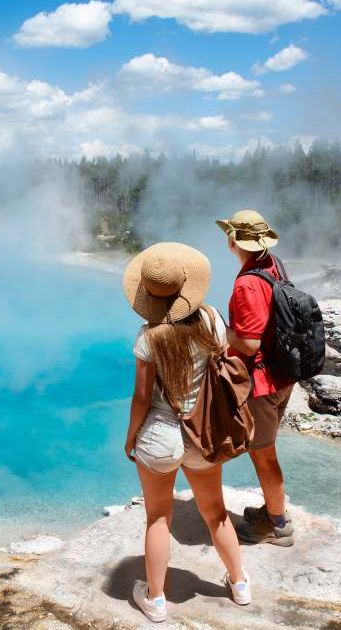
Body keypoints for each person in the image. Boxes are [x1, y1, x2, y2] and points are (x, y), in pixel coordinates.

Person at [121, 242, 252, 623]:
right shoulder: (210, 320)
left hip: (159, 436)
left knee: (158, 518)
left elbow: (142, 398)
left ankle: (156, 599)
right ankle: (239, 583)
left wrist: (131, 437)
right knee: (215, 513)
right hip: (202, 433)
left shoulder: (148, 337)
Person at [215, 209, 297, 546]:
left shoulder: (248, 283)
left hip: (262, 383)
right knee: (265, 450)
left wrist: (223, 333)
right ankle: (272, 509)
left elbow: (248, 343)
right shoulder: (273, 264)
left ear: (233, 241)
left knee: (263, 454)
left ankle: (278, 525)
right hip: (283, 373)